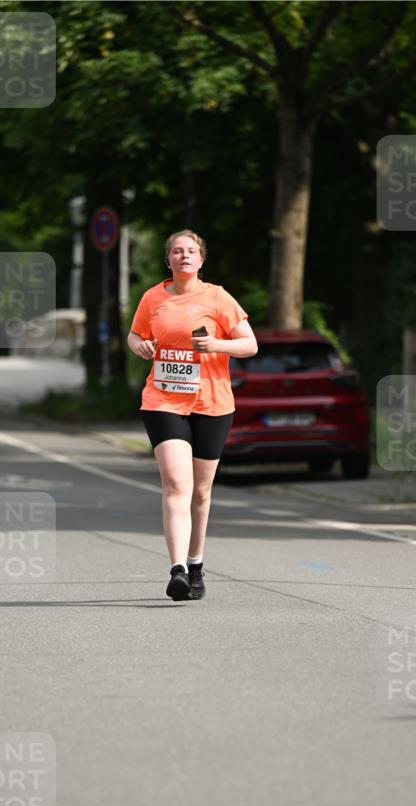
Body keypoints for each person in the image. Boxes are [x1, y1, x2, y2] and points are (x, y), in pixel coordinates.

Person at [127, 230, 258, 601]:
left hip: (212, 403)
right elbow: (134, 335)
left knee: (200, 491)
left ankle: (196, 562)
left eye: (191, 251)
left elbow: (250, 344)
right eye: (177, 252)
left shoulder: (217, 297)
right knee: (176, 484)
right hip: (163, 400)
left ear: (201, 260)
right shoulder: (153, 298)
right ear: (168, 260)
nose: (184, 256)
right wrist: (140, 345)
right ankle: (177, 570)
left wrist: (217, 344)